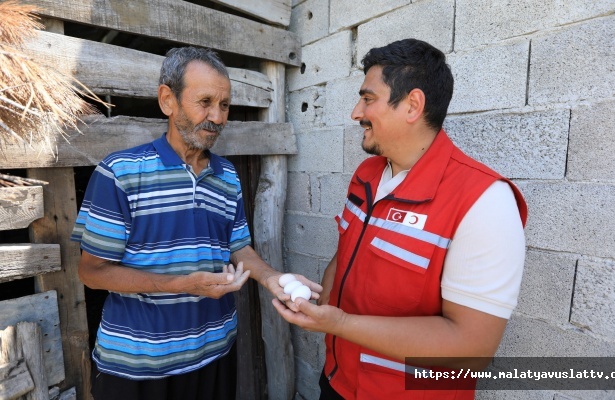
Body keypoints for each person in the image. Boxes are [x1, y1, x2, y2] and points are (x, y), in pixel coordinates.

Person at [273, 38, 528, 399]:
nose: (355, 112)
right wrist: (318, 306)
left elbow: (471, 350)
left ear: (412, 105)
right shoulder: (366, 175)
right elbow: (346, 254)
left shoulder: (484, 201)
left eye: (368, 98)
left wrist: (340, 324)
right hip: (336, 381)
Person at [71, 46, 321, 400]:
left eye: (224, 105)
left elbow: (238, 247)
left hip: (214, 353)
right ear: (167, 100)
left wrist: (272, 278)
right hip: (138, 366)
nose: (217, 117)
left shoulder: (227, 176)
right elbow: (91, 272)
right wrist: (182, 284)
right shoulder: (119, 173)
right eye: (204, 101)